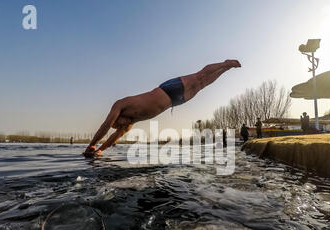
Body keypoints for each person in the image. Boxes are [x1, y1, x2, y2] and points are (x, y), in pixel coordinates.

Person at [83, 60, 242, 157]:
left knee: (200, 76)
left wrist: (91, 144)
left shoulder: (120, 104)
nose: (120, 127)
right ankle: (225, 70)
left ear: (117, 118)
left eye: (118, 124)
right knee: (202, 85)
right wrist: (99, 150)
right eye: (118, 127)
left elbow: (105, 126)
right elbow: (112, 139)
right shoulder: (130, 123)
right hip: (175, 101)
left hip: (168, 89)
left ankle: (224, 64)